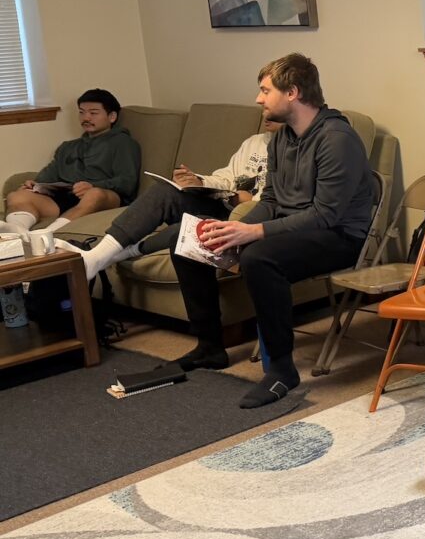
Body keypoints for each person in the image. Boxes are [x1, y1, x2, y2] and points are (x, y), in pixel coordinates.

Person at [172, 54, 376, 409]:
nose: (258, 99)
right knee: (194, 240)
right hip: (294, 228)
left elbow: (325, 215)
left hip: (339, 236)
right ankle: (209, 346)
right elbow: (270, 199)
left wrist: (254, 233)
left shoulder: (336, 139)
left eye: (266, 91)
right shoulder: (282, 139)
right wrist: (235, 228)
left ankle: (282, 370)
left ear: (292, 92)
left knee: (259, 258)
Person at [59, 114, 280, 280]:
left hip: (246, 220)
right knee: (164, 191)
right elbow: (226, 177)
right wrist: (199, 181)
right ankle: (98, 255)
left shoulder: (292, 149)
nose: (264, 112)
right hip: (225, 204)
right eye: (262, 106)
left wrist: (248, 202)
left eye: (268, 100)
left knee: (186, 229)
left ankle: (111, 255)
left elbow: (283, 201)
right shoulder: (254, 142)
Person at [2, 89, 141, 234]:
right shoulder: (68, 147)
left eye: (93, 113)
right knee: (16, 196)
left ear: (112, 116)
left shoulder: (123, 143)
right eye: (81, 112)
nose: (86, 118)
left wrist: (93, 186)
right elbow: (50, 173)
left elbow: (127, 182)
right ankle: (18, 234)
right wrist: (35, 184)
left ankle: (48, 234)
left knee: (94, 194)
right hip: (66, 198)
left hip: (104, 197)